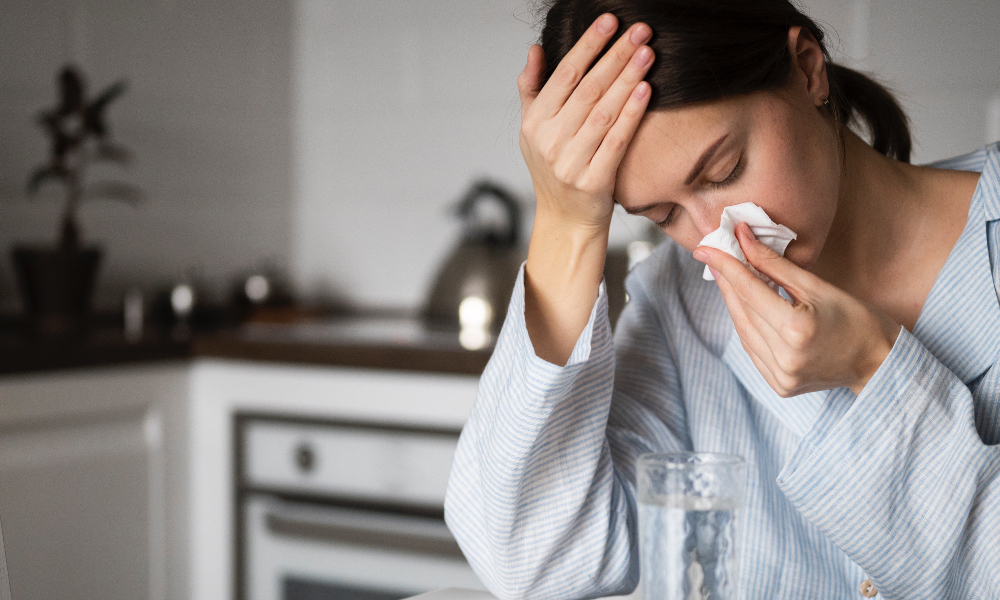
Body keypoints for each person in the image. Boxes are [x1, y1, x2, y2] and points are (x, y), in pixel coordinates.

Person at [444, 0, 1000, 598]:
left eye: (724, 170)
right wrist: (566, 225)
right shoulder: (679, 302)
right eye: (665, 215)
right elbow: (531, 560)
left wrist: (872, 369)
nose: (723, 237)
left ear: (808, 69)